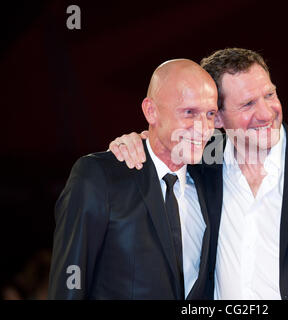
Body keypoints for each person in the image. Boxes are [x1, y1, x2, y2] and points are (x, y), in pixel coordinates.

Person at [108, 48, 288, 299]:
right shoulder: (202, 165)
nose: (266, 113)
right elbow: (162, 143)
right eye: (247, 104)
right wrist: (134, 142)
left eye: (269, 94)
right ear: (218, 117)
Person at [48, 59, 218, 299]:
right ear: (151, 111)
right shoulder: (98, 176)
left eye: (210, 114)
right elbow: (68, 287)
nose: (203, 128)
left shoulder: (212, 181)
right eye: (189, 112)